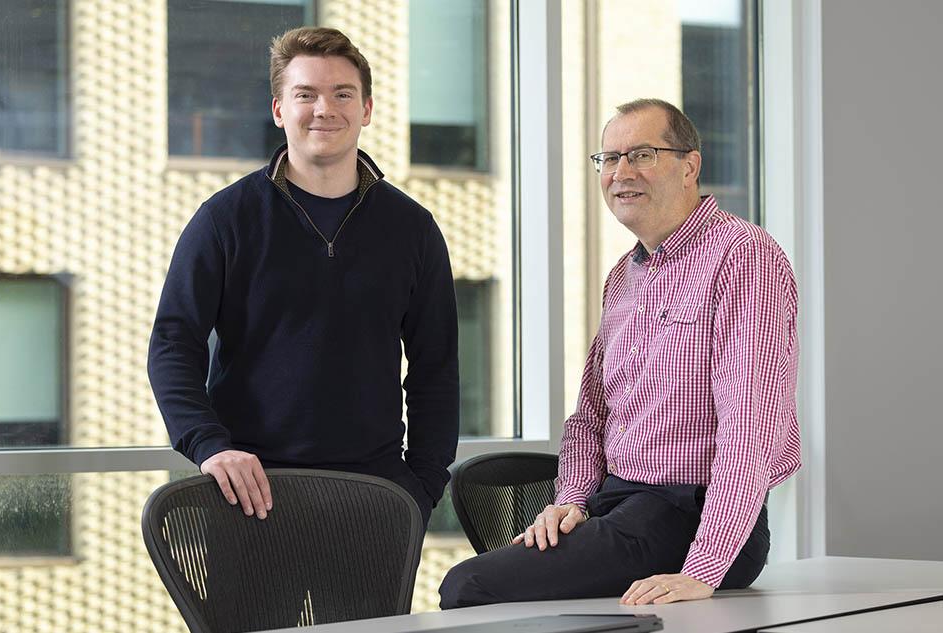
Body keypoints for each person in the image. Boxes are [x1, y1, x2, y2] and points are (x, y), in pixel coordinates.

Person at [439, 98, 800, 607]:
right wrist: (570, 502)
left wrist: (703, 568)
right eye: (609, 158)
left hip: (689, 514)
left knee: (468, 586)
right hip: (619, 504)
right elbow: (591, 415)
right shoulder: (625, 276)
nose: (620, 172)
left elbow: (751, 424)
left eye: (642, 155)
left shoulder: (743, 257)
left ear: (689, 166)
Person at [148, 26, 459, 529]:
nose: (324, 109)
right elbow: (172, 343)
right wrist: (209, 446)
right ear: (279, 110)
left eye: (343, 94)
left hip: (375, 499)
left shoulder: (412, 229)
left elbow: (436, 368)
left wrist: (422, 486)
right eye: (305, 94)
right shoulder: (225, 219)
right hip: (248, 495)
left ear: (367, 109)